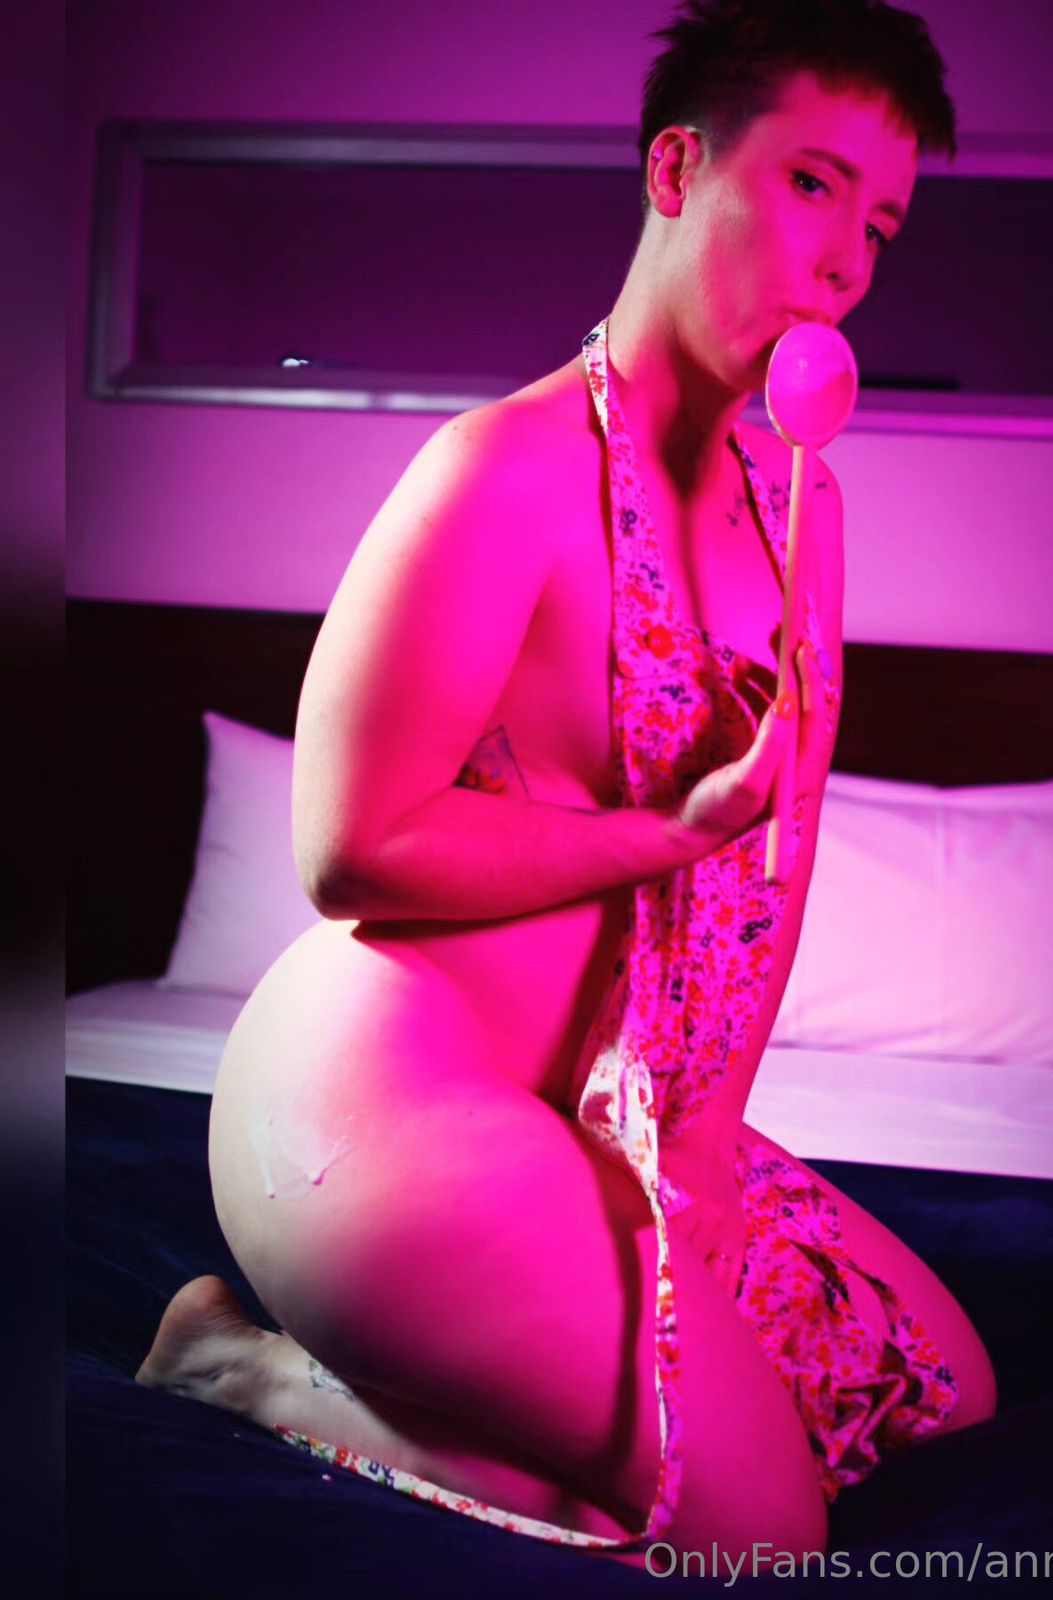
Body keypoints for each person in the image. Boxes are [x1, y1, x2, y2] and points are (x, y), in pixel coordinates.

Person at [136, 0, 995, 1565]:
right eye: (811, 184)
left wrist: (711, 1139)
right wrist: (659, 835)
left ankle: (508, 1374)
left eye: (881, 222)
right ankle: (244, 1368)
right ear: (677, 169)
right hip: (398, 1095)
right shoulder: (503, 473)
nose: (847, 262)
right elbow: (350, 848)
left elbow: (780, 854)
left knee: (939, 1392)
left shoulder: (807, 511)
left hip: (622, 1108)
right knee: (764, 1531)